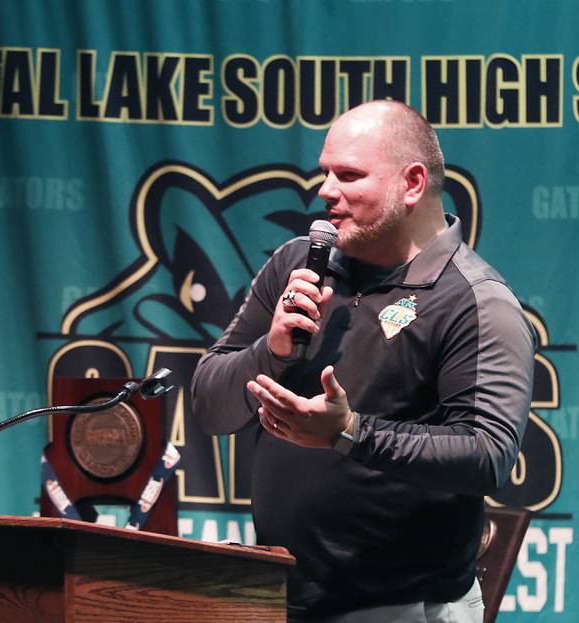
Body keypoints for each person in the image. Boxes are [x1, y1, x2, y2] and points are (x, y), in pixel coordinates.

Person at [191, 100, 535, 622]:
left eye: (349, 175)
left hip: (403, 607)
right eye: (325, 172)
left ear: (413, 183)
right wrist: (273, 349)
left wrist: (349, 433)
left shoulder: (475, 299)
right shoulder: (296, 264)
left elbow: (487, 455)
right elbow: (209, 406)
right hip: (276, 597)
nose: (326, 190)